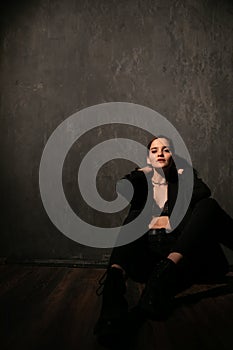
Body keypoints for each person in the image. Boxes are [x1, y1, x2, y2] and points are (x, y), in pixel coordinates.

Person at [93, 135, 233, 347]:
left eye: (166, 150)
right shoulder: (142, 185)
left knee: (208, 206)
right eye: (154, 150)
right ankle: (113, 291)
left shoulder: (181, 181)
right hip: (148, 256)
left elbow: (204, 194)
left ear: (172, 156)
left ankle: (164, 274)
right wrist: (145, 172)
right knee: (135, 217)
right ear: (148, 158)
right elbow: (123, 188)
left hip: (178, 256)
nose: (160, 153)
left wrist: (181, 175)